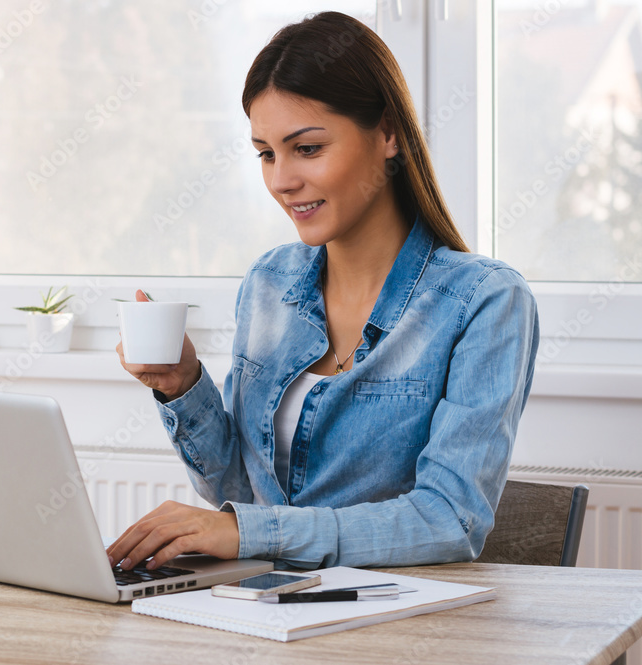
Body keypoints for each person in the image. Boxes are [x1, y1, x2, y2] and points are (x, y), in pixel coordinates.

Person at [105, 11, 539, 573]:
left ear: (389, 134)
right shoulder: (268, 283)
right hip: (272, 610)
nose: (281, 180)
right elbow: (243, 492)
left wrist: (248, 531)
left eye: (306, 148)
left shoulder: (484, 302)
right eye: (266, 153)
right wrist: (183, 387)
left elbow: (448, 519)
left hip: (395, 628)